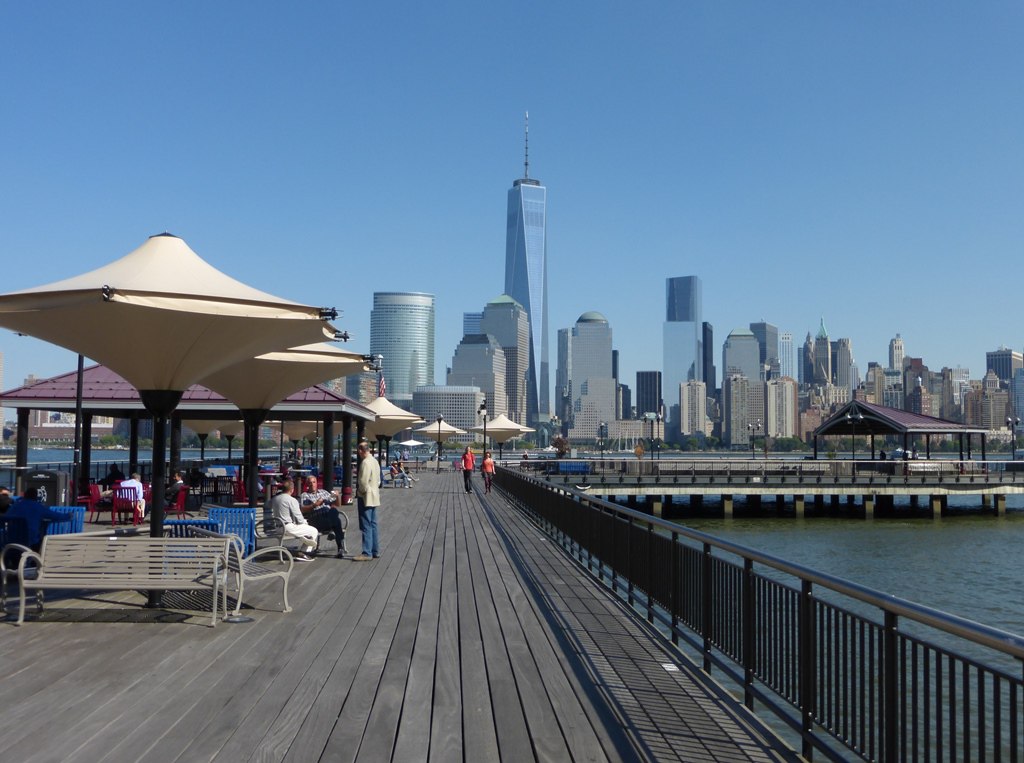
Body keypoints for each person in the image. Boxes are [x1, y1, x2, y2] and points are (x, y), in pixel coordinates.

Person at [6, 487, 72, 550]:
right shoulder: (38, 506)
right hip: (31, 540)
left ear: (25, 495)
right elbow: (56, 516)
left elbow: (6, 517)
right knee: (40, 538)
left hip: (13, 539)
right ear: (35, 496)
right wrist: (69, 515)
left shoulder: (16, 505)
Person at [270, 478, 317, 562]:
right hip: (287, 527)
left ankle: (305, 539)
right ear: (292, 490)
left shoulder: (275, 499)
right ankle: (304, 552)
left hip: (277, 528)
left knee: (305, 531)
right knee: (313, 531)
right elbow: (299, 518)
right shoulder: (291, 500)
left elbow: (266, 505)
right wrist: (305, 523)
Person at [299, 475, 346, 556]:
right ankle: (340, 547)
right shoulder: (305, 495)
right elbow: (302, 509)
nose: (312, 484)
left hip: (328, 515)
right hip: (316, 517)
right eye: (310, 483)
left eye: (314, 482)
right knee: (336, 521)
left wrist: (337, 496)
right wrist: (315, 505)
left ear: (317, 483)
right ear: (307, 484)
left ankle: (338, 544)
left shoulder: (324, 492)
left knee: (334, 511)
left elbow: (337, 504)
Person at [355, 441, 381, 561]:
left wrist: (361, 491)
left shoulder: (365, 463)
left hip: (366, 496)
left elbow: (363, 482)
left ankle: (367, 552)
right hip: (375, 495)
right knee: (373, 523)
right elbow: (379, 480)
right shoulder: (374, 461)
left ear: (361, 450)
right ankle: (375, 550)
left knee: (366, 524)